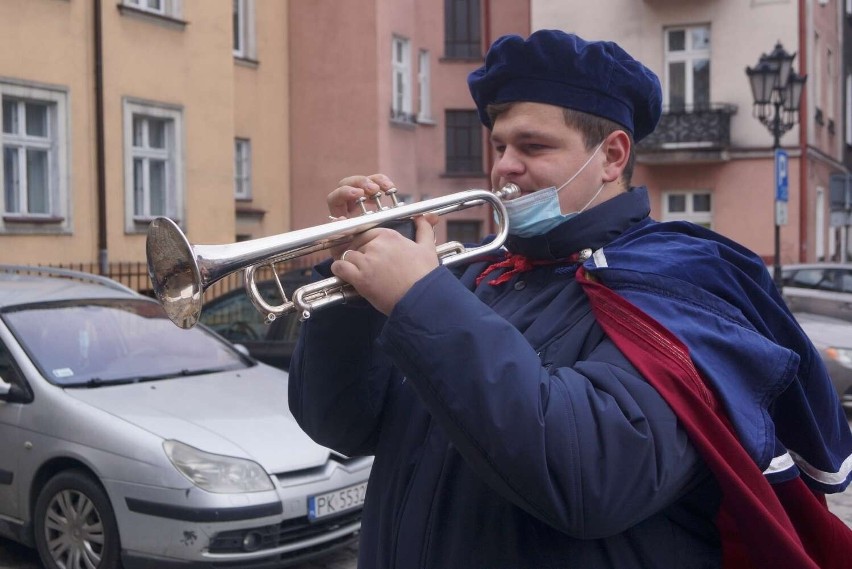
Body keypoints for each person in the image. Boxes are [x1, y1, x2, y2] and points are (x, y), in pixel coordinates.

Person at [289, 30, 852, 568]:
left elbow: (591, 478)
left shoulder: (686, 286)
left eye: (533, 145)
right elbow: (342, 425)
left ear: (612, 156)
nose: (505, 165)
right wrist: (353, 289)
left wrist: (421, 300)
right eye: (500, 144)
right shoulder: (474, 274)